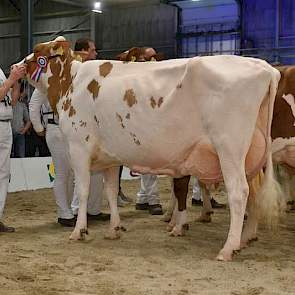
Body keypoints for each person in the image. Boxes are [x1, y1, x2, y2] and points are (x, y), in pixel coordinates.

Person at [117, 46, 164, 215]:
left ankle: (143, 197)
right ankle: (152, 199)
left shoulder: (151, 76)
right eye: (149, 58)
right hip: (138, 122)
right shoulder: (133, 75)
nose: (153, 60)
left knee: (147, 161)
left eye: (153, 58)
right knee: (149, 161)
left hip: (145, 121)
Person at [0, 63, 26, 232]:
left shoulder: (0, 72)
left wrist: (15, 81)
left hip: (6, 125)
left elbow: (12, 100)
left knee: (3, 174)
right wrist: (11, 78)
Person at [11, 81, 31, 158]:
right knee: (7, 156)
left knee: (21, 156)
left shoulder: (22, 105)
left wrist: (24, 130)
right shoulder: (7, 104)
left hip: (20, 135)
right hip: (8, 134)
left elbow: (29, 120)